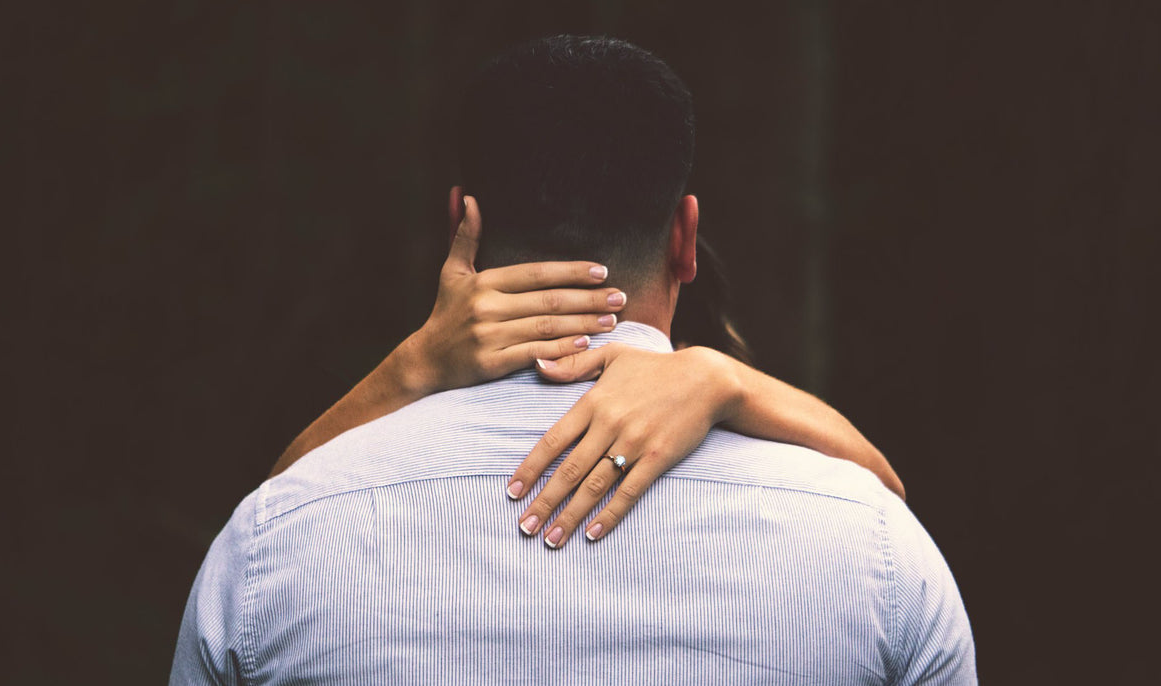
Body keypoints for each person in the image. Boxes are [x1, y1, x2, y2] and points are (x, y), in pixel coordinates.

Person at [171, 35, 975, 684]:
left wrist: (410, 368)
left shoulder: (277, 536)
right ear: (685, 239)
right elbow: (887, 494)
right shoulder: (870, 541)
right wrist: (724, 376)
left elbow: (272, 518)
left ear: (462, 220)